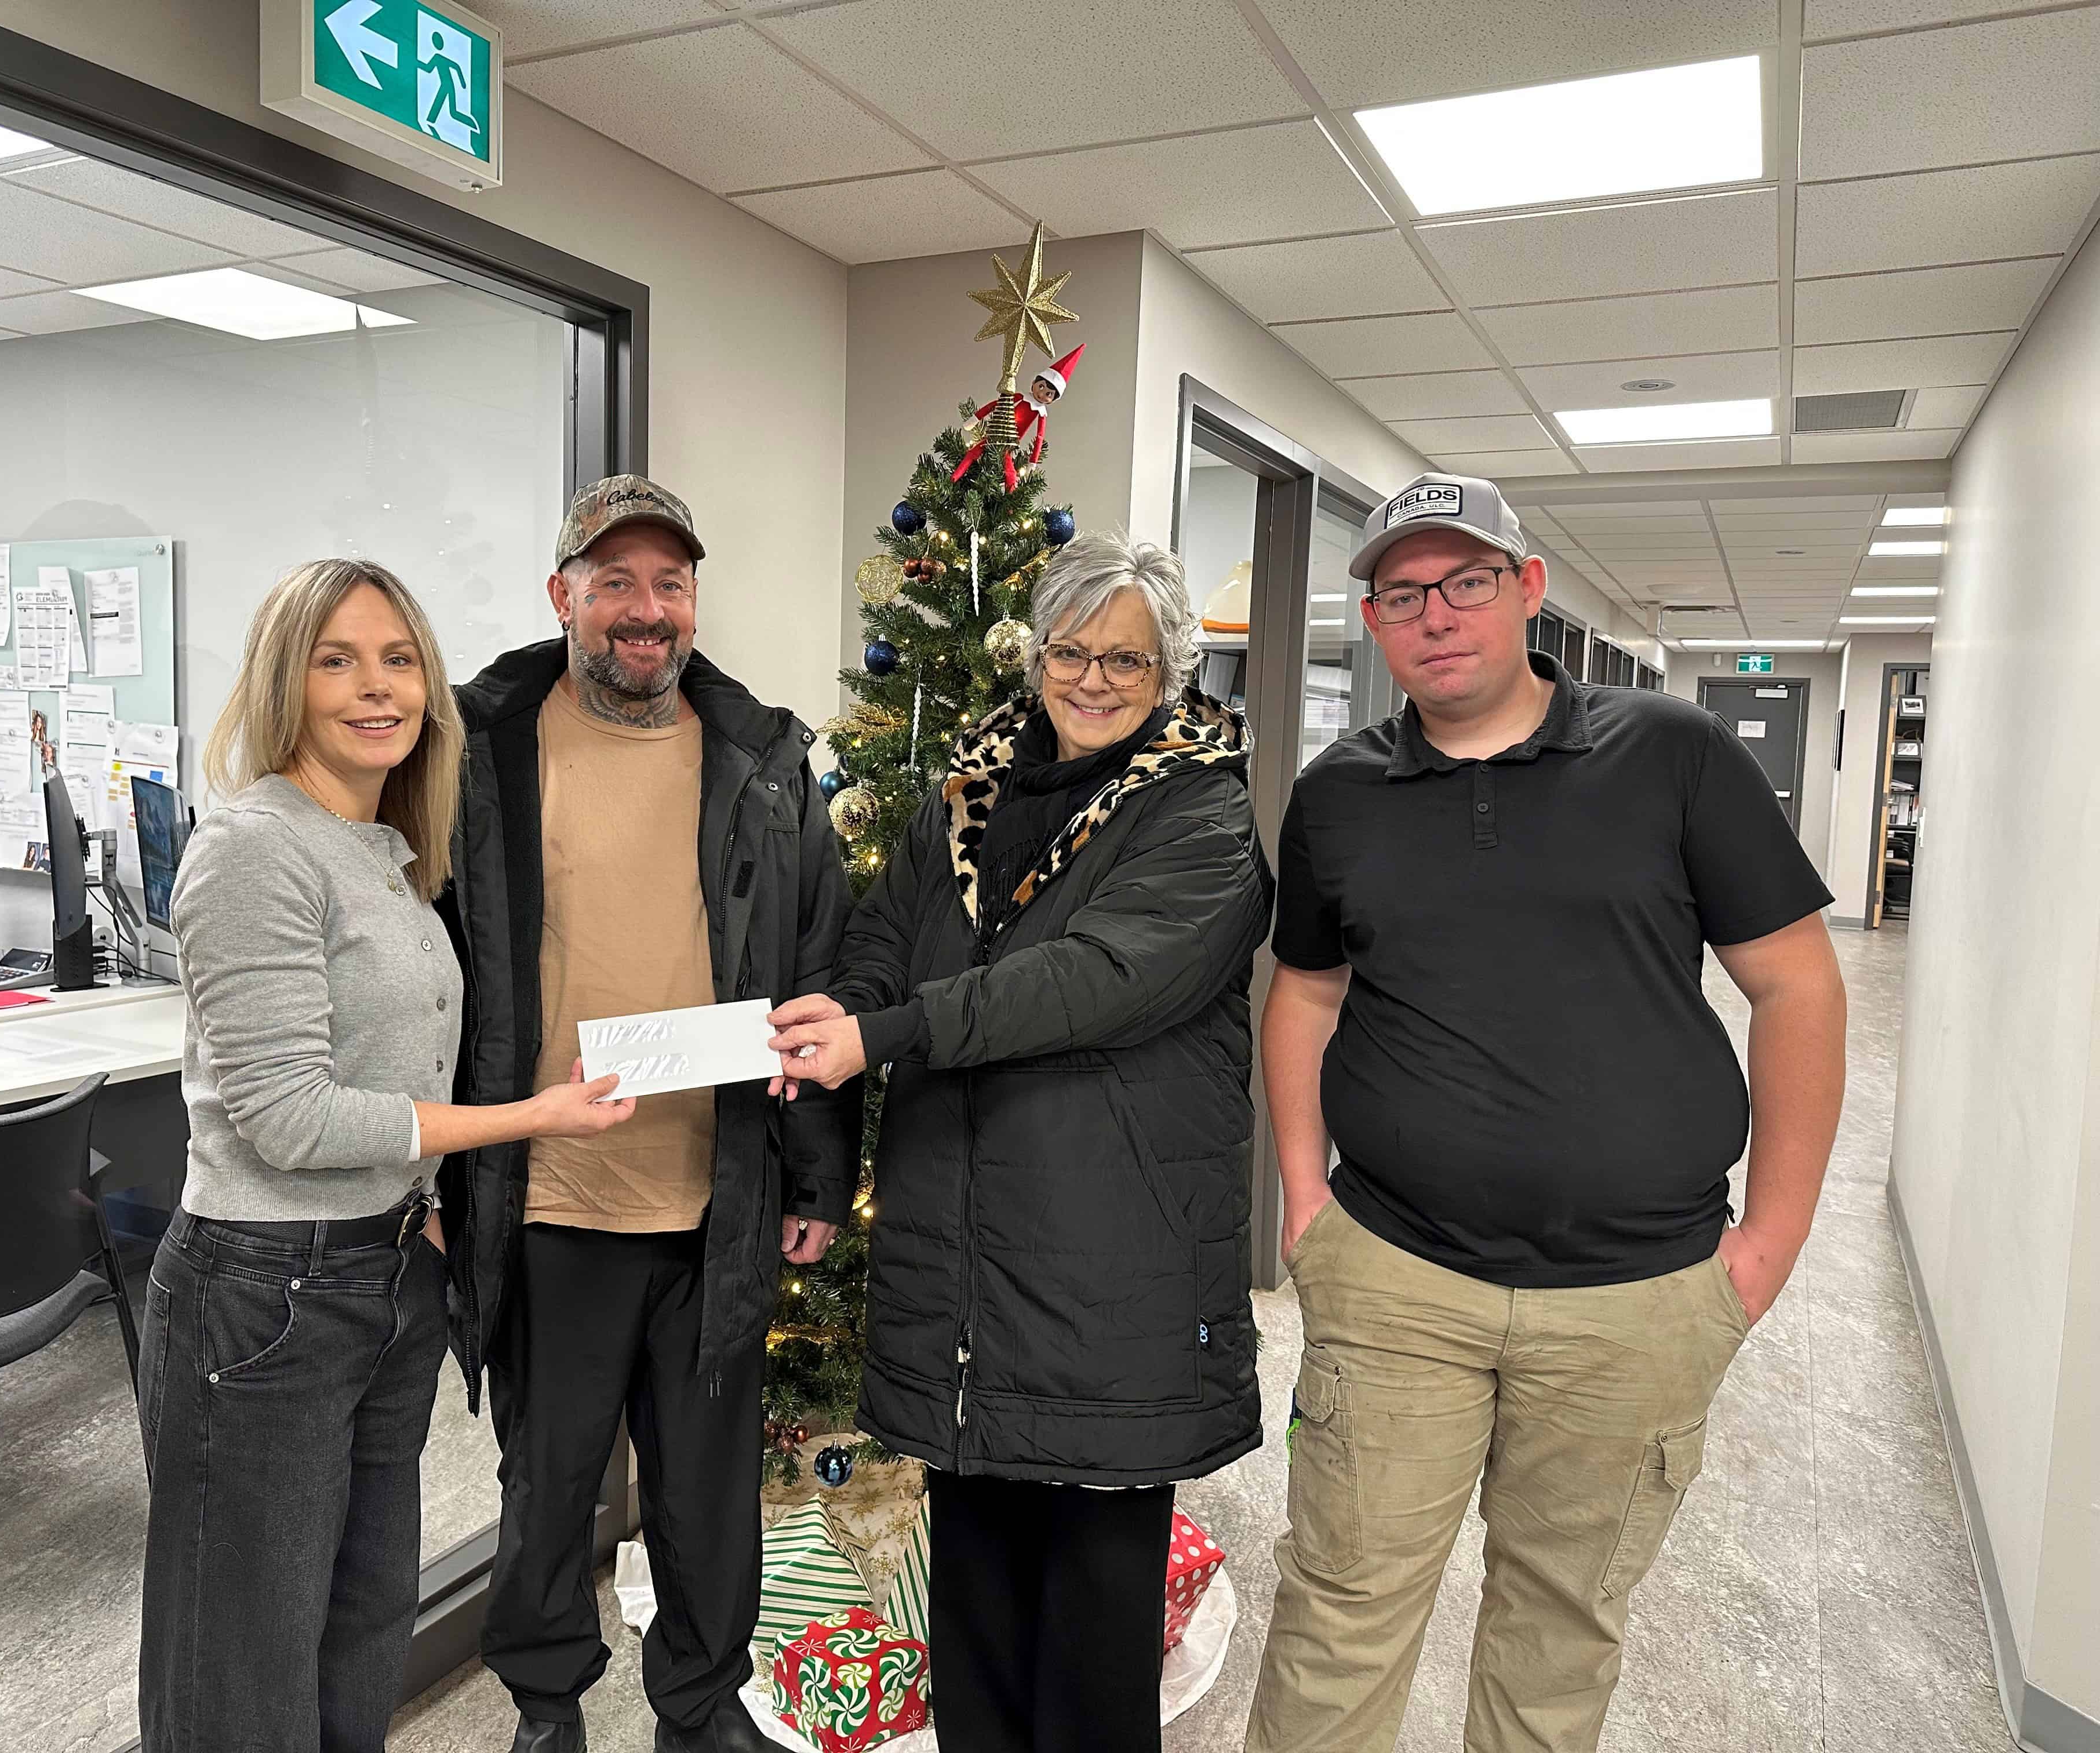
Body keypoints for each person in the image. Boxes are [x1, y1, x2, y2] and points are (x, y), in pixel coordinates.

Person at [1245, 473, 1848, 1753]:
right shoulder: (1340, 792)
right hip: (1396, 1279)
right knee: (1339, 1612)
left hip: (1638, 1298)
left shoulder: (1673, 754)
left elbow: (1796, 985)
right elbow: (1305, 989)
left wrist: (1772, 1244)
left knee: (1559, 1633)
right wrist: (1305, 1201)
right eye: (1402, 594)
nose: (1436, 615)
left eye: (1466, 581)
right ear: (1374, 620)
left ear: (1528, 589)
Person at [771, 533, 1275, 1753]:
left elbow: (1085, 982)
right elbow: (885, 936)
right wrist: (847, 1008)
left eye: (1127, 660)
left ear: (1170, 672)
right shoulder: (972, 791)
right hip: (962, 1271)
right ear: (1036, 654)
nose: (1093, 679)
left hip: (1110, 1276)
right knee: (980, 1616)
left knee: (1093, 1635)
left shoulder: (1201, 813)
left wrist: (885, 1033)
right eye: (1070, 651)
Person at [138, 559, 634, 1753]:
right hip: (266, 1295)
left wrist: (426, 1211)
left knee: (360, 1632)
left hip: (386, 1274)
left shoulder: (384, 850)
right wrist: (529, 1120)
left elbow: (392, 1068)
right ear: (285, 682)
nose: (378, 688)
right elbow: (291, 1118)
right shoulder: (256, 848)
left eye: (400, 660)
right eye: (339, 660)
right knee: (243, 1666)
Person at [442, 476, 861, 1753]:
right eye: (614, 581)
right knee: (549, 1488)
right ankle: (547, 1708)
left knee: (707, 1496)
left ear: (693, 602)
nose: (645, 609)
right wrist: (433, 1185)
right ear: (562, 595)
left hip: (713, 1196)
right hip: (549, 1195)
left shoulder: (764, 763)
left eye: (669, 583)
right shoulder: (480, 751)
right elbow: (436, 970)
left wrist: (814, 1176)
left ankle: (700, 1707)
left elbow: (814, 969)